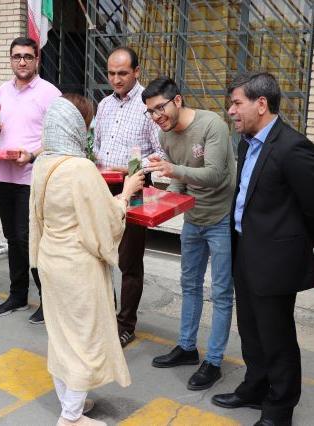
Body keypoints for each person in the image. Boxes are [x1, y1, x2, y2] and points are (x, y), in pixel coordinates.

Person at [30, 94, 144, 426]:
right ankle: (71, 417)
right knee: (84, 339)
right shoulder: (80, 168)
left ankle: (72, 402)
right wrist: (126, 192)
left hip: (51, 257)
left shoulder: (43, 162)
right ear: (76, 126)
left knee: (61, 337)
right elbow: (106, 221)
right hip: (77, 266)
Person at [211, 72, 314, 426]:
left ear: (261, 104)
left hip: (276, 262)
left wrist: (296, 254)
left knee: (277, 338)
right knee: (251, 330)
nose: (230, 111)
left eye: (236, 103)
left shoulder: (292, 148)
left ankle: (279, 410)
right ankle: (254, 387)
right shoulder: (247, 143)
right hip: (245, 251)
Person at [142, 76, 236, 390]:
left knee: (221, 293)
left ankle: (214, 361)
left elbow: (215, 175)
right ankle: (186, 347)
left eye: (160, 108)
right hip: (193, 219)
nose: (157, 116)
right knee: (190, 284)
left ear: (178, 100)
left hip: (221, 218)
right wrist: (162, 200)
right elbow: (179, 181)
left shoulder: (212, 126)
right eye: (151, 112)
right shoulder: (165, 135)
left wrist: (172, 170)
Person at [94, 46, 166, 348]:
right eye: (111, 73)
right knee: (100, 252)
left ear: (137, 71)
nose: (116, 79)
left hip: (134, 186)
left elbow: (162, 153)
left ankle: (125, 324)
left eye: (122, 73)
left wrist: (131, 168)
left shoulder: (148, 106)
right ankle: (104, 315)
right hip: (103, 186)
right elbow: (96, 144)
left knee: (129, 260)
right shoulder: (104, 105)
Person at [0, 37, 61, 322]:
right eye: (17, 56)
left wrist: (31, 156)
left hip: (32, 178)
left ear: (37, 60)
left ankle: (48, 300)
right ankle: (17, 295)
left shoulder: (50, 94)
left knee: (31, 241)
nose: (22, 61)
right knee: (12, 238)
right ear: (10, 59)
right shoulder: (2, 91)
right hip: (3, 175)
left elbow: (57, 138)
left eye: (28, 56)